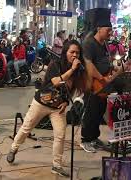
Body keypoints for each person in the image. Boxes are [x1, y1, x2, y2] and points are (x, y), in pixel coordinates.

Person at [6, 40, 93, 177]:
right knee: (26, 128)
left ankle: (56, 165)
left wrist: (65, 102)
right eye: (72, 52)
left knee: (60, 134)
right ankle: (13, 148)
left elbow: (71, 89)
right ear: (65, 53)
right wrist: (72, 69)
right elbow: (57, 82)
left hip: (56, 108)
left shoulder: (77, 71)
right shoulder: (55, 64)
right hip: (41, 103)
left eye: (77, 52)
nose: (75, 55)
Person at [80, 20, 118, 153]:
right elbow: (88, 64)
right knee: (91, 111)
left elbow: (106, 61)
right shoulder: (89, 43)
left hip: (104, 85)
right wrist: (102, 78)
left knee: (99, 111)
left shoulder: (105, 44)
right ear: (99, 28)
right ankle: (85, 140)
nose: (110, 33)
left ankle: (94, 137)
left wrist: (114, 67)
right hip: (94, 84)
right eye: (108, 30)